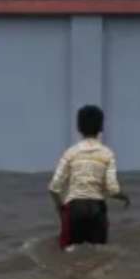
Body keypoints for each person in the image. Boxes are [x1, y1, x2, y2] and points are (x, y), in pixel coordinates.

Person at [48, 105, 130, 248]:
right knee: (98, 256)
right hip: (97, 210)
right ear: (101, 128)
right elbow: (112, 190)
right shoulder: (107, 154)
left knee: (69, 256)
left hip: (74, 209)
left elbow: (54, 187)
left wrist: (59, 206)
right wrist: (124, 197)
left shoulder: (71, 153)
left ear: (78, 128)